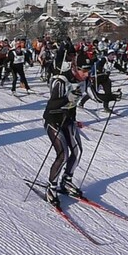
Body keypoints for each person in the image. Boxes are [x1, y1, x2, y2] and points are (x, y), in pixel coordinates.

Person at [42, 44, 90, 206]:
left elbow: (80, 101)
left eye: (89, 71)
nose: (87, 75)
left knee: (77, 151)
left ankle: (66, 181)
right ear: (75, 68)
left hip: (68, 120)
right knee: (63, 155)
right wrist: (67, 99)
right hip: (53, 120)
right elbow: (51, 106)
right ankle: (51, 187)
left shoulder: (82, 81)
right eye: (84, 71)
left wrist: (112, 97)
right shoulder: (60, 81)